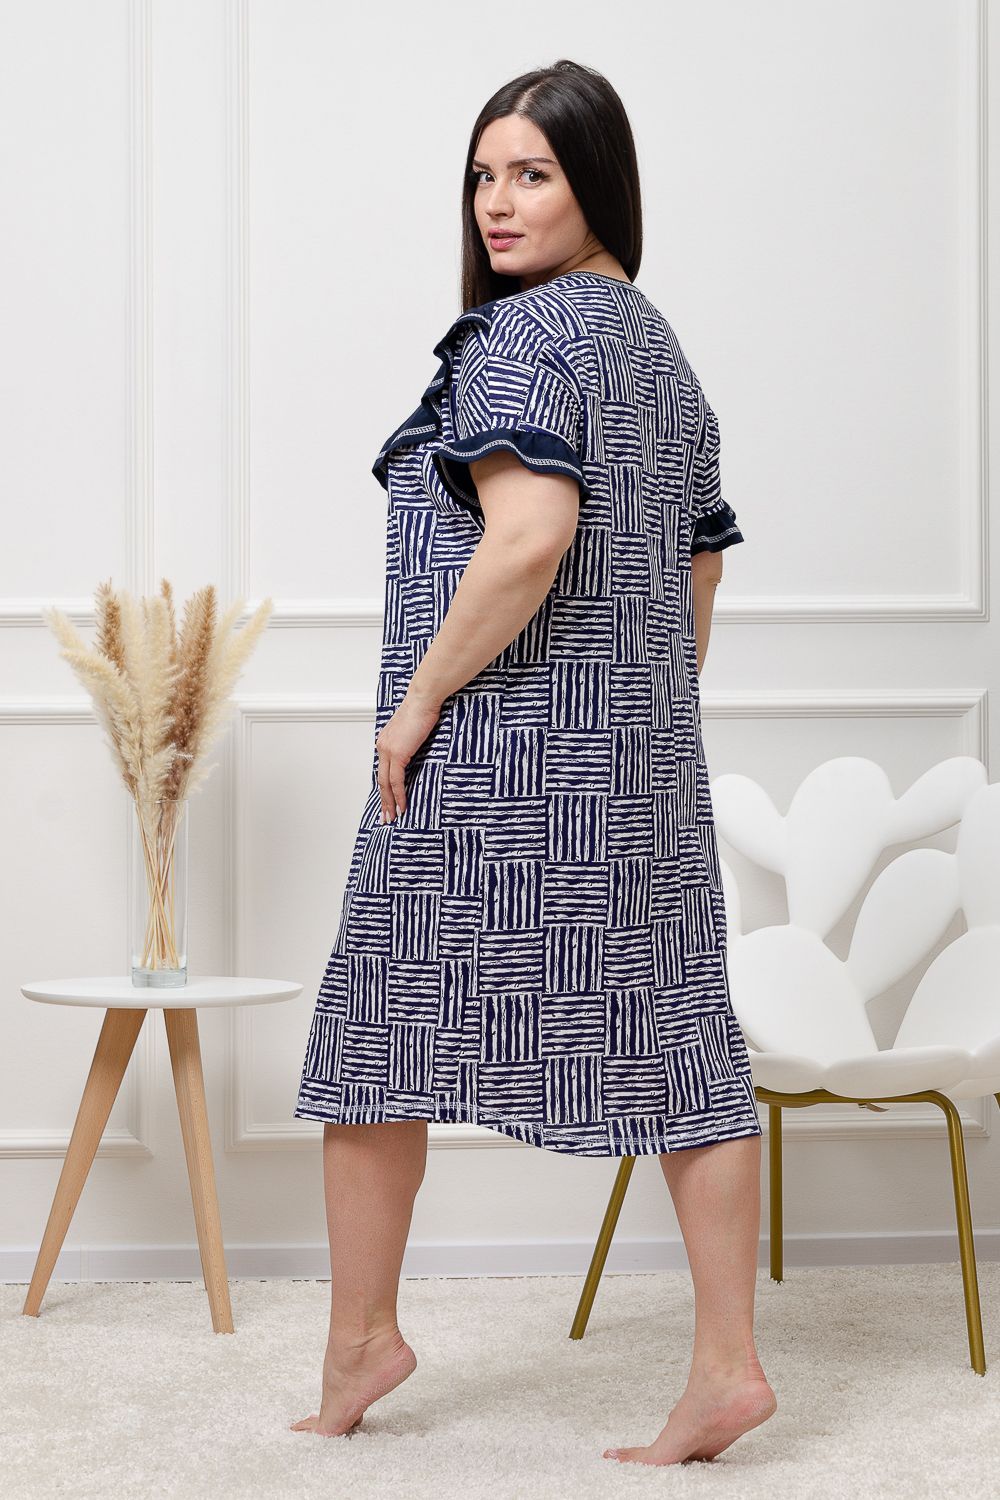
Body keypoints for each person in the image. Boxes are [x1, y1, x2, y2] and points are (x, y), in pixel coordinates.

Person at [290, 57, 777, 1465]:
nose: (498, 203)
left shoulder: (518, 338)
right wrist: (645, 713)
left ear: (595, 182)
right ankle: (727, 1367)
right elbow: (699, 569)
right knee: (687, 1045)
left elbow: (528, 535)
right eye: (483, 176)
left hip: (492, 766)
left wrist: (415, 711)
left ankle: (359, 1339)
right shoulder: (659, 349)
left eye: (534, 174)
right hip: (638, 769)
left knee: (373, 1039)